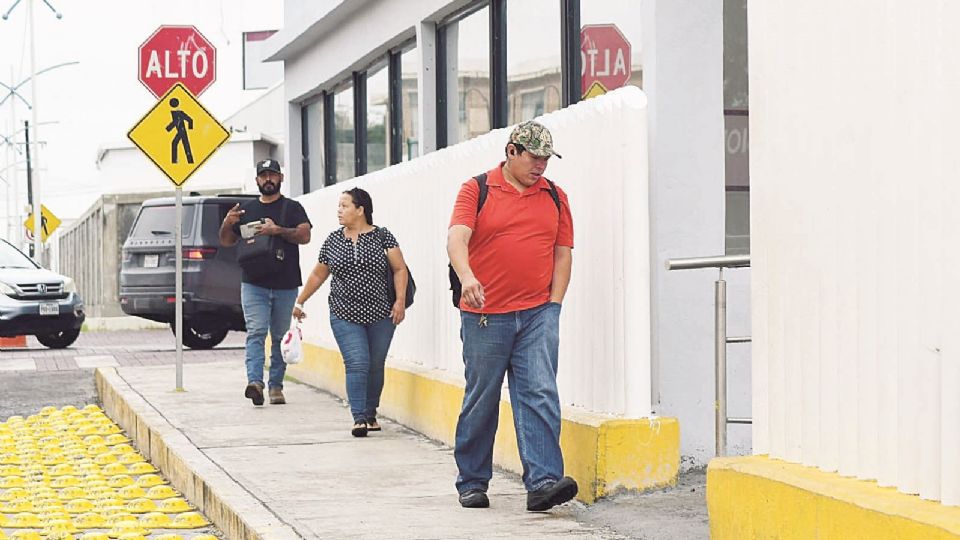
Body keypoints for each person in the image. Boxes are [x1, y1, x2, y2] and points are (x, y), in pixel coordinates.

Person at [447, 120, 577, 511]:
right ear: (511, 151)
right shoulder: (477, 189)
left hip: (537, 313)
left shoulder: (555, 196)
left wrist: (554, 305)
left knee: (539, 393)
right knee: (482, 398)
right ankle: (472, 481)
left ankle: (543, 482)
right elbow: (457, 238)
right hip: (485, 315)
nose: (540, 165)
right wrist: (467, 276)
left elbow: (563, 252)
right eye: (533, 157)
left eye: (545, 159)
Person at [293, 187, 409, 437]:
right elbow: (318, 274)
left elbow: (400, 269)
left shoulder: (383, 237)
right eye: (339, 206)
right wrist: (300, 301)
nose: (339, 210)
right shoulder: (333, 240)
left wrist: (399, 301)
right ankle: (358, 417)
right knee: (357, 362)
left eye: (344, 206)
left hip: (381, 312)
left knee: (375, 364)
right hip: (344, 312)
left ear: (360, 210)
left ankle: (370, 412)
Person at [219, 159, 312, 406]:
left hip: (285, 283)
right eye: (263, 176)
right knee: (256, 332)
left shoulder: (292, 208)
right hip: (253, 283)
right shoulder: (246, 210)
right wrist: (227, 223)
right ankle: (255, 383)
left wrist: (278, 231)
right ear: (257, 180)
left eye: (272, 175)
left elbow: (305, 235)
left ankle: (276, 386)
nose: (268, 179)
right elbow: (227, 241)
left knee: (280, 336)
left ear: (281, 178)